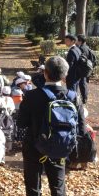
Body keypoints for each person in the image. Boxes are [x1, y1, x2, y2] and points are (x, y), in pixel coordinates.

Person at [17, 56, 86, 196]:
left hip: (34, 145)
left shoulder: (31, 95)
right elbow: (81, 127)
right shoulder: (73, 97)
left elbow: (21, 123)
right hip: (60, 145)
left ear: (45, 73)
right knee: (58, 187)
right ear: (65, 75)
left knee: (33, 188)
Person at [76, 35, 95, 106]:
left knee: (82, 84)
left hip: (82, 69)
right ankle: (84, 97)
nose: (76, 41)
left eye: (77, 40)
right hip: (87, 69)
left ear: (80, 41)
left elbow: (81, 60)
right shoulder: (87, 47)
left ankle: (84, 98)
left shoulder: (81, 48)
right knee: (84, 83)